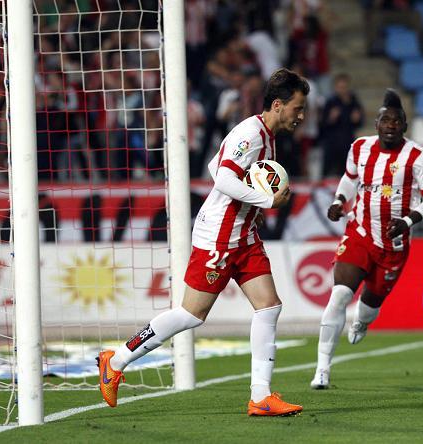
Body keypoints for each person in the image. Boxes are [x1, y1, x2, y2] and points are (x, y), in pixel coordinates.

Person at [97, 68, 310, 416]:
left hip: (243, 235)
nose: (301, 116)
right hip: (220, 237)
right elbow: (221, 175)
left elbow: (217, 161)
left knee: (269, 307)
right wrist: (267, 202)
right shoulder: (251, 134)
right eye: (297, 108)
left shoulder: (267, 137)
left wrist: (254, 208)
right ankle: (116, 360)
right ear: (277, 104)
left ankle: (261, 396)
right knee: (191, 314)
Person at [310, 89, 423, 389]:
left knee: (370, 304)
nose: (391, 125)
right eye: (385, 120)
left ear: (404, 126)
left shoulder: (417, 156)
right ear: (377, 123)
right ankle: (322, 369)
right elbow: (350, 178)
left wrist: (408, 221)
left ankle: (363, 321)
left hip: (393, 245)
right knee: (340, 294)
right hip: (360, 232)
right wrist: (340, 200)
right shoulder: (359, 148)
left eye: (397, 121)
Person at [319, 73, 364, 177]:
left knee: (347, 173)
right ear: (335, 87)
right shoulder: (330, 102)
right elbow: (322, 125)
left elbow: (360, 122)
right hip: (332, 143)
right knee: (327, 172)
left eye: (344, 87)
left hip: (347, 142)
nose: (342, 90)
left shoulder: (354, 102)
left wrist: (357, 120)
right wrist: (330, 119)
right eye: (340, 87)